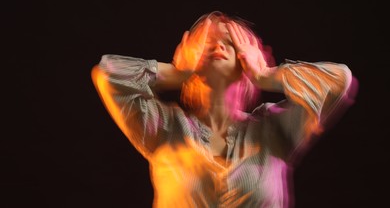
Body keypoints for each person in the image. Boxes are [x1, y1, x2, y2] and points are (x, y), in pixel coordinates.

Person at [91, 11, 357, 207]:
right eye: (206, 42)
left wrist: (267, 75)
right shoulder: (164, 127)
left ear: (248, 58)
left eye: (230, 42)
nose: (217, 46)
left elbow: (338, 81)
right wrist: (175, 72)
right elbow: (107, 73)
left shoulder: (272, 129)